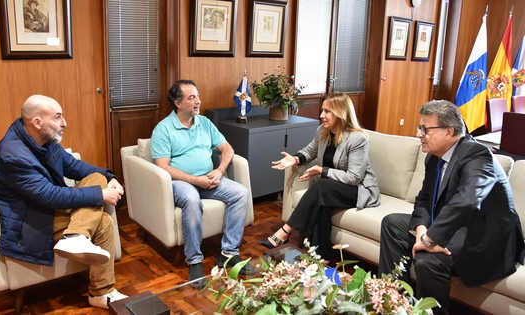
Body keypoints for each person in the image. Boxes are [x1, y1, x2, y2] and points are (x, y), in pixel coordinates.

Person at [378, 100, 524, 315]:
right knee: (392, 223)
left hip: (484, 236)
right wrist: (421, 231)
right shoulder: (434, 158)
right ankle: (394, 301)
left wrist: (430, 240)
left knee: (428, 259)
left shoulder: (477, 155)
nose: (419, 134)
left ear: (449, 131)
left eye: (425, 129)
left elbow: (467, 200)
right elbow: (425, 198)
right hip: (456, 226)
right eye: (420, 128)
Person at [0, 95, 127, 309]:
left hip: (48, 209)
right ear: (37, 122)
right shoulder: (13, 156)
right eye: (58, 117)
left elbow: (76, 167)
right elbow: (49, 195)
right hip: (31, 220)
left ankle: (76, 236)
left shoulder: (44, 139)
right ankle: (101, 291)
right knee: (104, 222)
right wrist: (101, 195)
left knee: (97, 179)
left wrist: (110, 177)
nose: (65, 123)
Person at [151, 80, 254, 289]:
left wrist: (219, 170)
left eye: (198, 95)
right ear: (177, 103)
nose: (198, 101)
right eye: (192, 97)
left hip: (210, 178)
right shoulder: (163, 129)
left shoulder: (205, 123)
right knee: (191, 198)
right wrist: (194, 180)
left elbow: (227, 149)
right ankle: (195, 261)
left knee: (241, 193)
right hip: (181, 182)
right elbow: (163, 167)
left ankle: (228, 253)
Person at [260, 92, 380, 260]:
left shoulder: (357, 139)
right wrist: (295, 159)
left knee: (322, 185)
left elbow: (355, 177)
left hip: (357, 190)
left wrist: (323, 171)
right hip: (331, 188)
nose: (321, 115)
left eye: (327, 111)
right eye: (322, 110)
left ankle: (285, 231)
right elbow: (310, 151)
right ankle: (320, 258)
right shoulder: (323, 131)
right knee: (321, 204)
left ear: (341, 113)